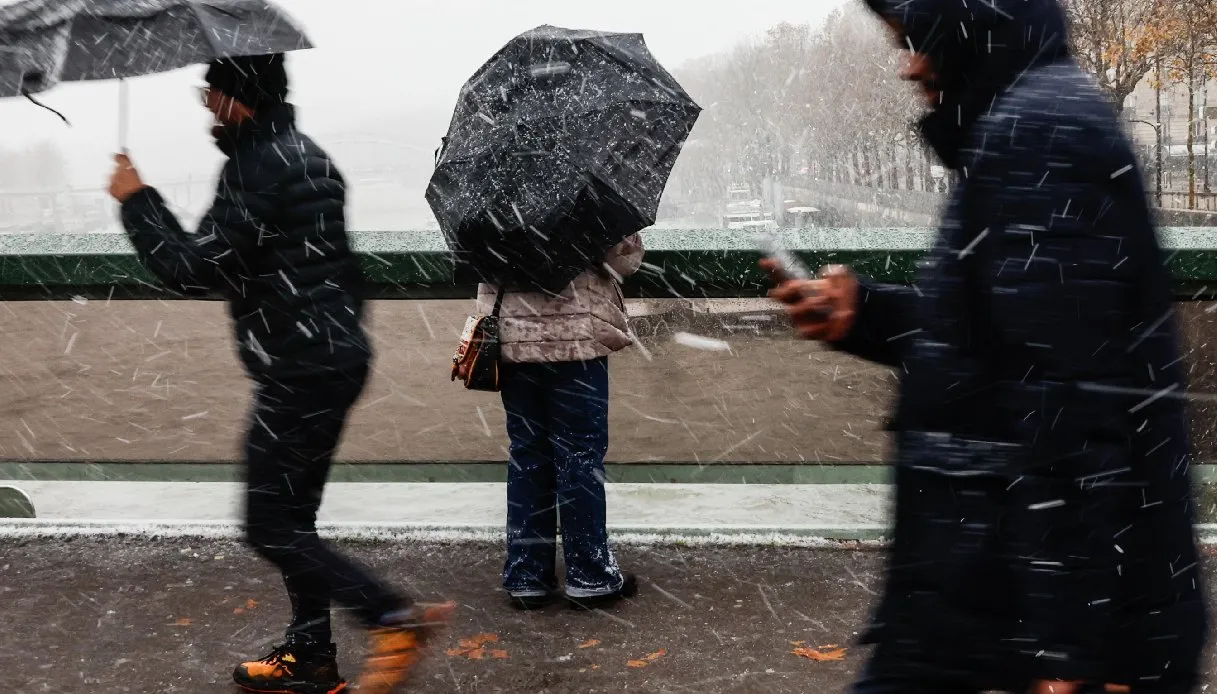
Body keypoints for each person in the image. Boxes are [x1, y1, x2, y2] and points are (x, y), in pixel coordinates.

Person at [766, 1, 1208, 692]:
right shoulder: (1027, 125)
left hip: (1002, 613)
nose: (909, 64)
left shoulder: (1038, 135)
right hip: (987, 600)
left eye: (915, 40)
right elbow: (1011, 347)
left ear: (964, 26)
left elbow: (1071, 402)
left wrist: (1070, 648)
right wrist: (866, 314)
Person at [107, 54, 453, 694]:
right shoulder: (307, 155)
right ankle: (310, 655)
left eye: (208, 91)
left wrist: (137, 202)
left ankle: (391, 615)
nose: (204, 103)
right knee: (293, 520)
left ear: (235, 97)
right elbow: (316, 265)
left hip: (300, 368)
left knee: (269, 524)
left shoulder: (257, 166)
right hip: (334, 354)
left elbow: (194, 270)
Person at [461, 236, 644, 610]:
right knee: (580, 458)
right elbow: (622, 263)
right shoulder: (584, 195)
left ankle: (527, 576)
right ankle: (591, 575)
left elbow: (476, 263)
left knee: (528, 456)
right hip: (577, 344)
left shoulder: (489, 199)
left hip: (514, 344)